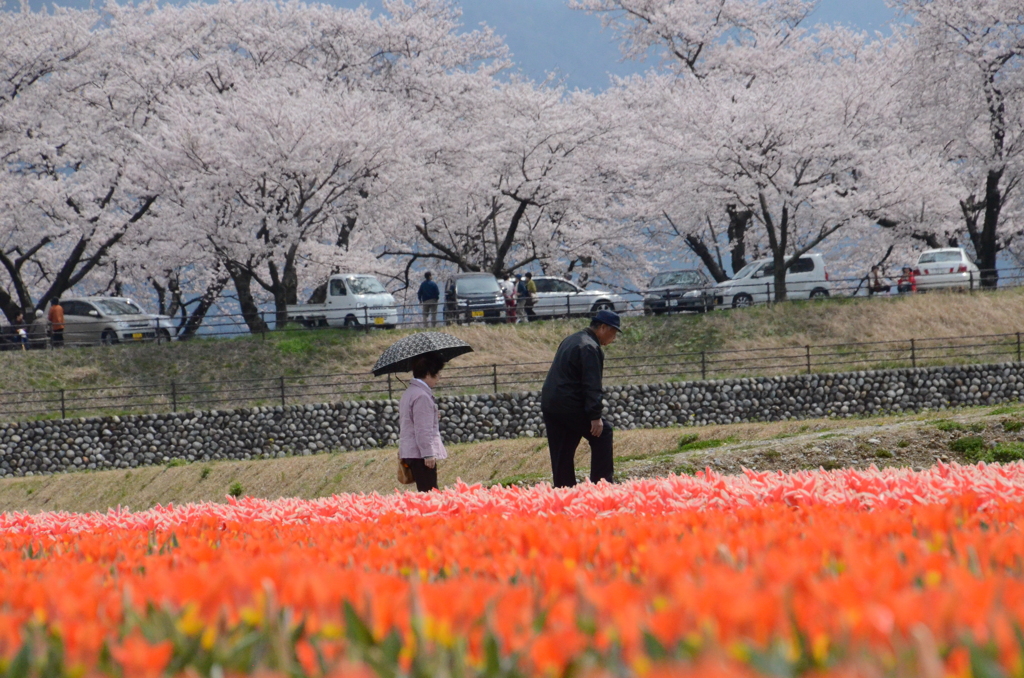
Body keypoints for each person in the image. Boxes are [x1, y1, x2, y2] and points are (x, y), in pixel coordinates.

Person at [541, 309, 621, 488]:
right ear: (602, 327)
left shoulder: (572, 339)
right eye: (613, 332)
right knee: (603, 433)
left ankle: (564, 489)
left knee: (563, 446)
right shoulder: (589, 347)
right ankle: (602, 485)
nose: (613, 338)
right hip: (569, 403)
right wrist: (595, 416)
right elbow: (591, 384)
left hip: (551, 404)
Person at [398, 352, 449, 492]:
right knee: (430, 493)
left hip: (412, 452)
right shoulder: (422, 396)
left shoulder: (410, 392)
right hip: (420, 454)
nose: (438, 378)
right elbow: (422, 429)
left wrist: (431, 415)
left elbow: (412, 420)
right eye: (437, 374)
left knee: (425, 493)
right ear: (428, 374)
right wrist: (428, 453)